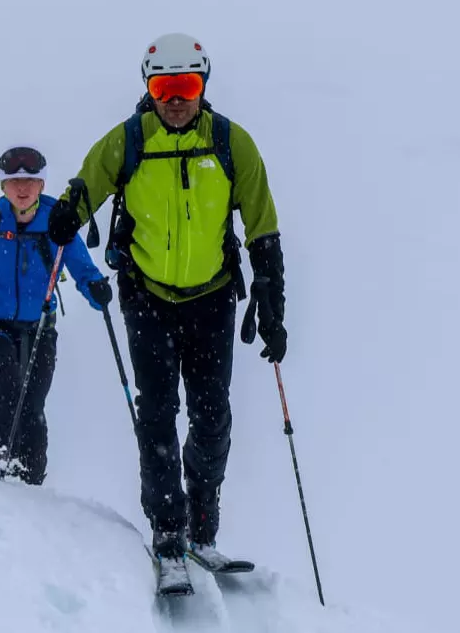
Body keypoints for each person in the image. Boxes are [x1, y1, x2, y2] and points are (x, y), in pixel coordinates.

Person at [47, 33, 285, 586]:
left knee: (211, 416)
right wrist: (67, 212)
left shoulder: (231, 144)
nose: (175, 99)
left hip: (213, 297)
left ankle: (203, 529)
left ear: (203, 84)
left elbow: (263, 226)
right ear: (148, 88)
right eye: (164, 87)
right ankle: (168, 532)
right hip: (147, 294)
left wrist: (272, 302)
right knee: (156, 413)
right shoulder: (129, 141)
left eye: (187, 86)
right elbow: (88, 184)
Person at [0, 146, 110, 484]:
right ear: (3, 186)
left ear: (42, 184)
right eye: (14, 181)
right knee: (5, 385)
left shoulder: (57, 221)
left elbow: (81, 266)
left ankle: (31, 477)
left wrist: (96, 289)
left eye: (30, 181)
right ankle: (0, 462)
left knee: (33, 399)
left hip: (40, 325)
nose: (23, 188)